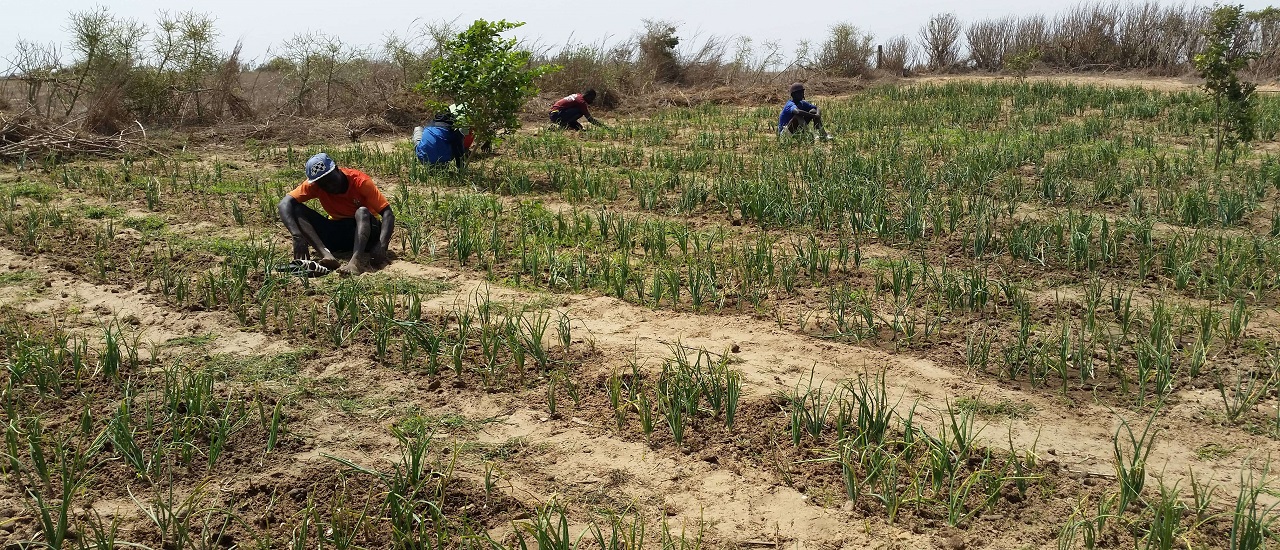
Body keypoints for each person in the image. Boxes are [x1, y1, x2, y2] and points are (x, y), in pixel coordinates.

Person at [278, 152, 395, 276]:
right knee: (296, 209)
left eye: (331, 179)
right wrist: (297, 236)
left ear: (337, 169)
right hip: (338, 234)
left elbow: (388, 213)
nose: (329, 186)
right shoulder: (314, 186)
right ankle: (326, 255)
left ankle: (356, 261)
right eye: (323, 184)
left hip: (366, 233)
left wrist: (382, 244)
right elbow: (284, 204)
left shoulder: (360, 181)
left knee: (362, 211)